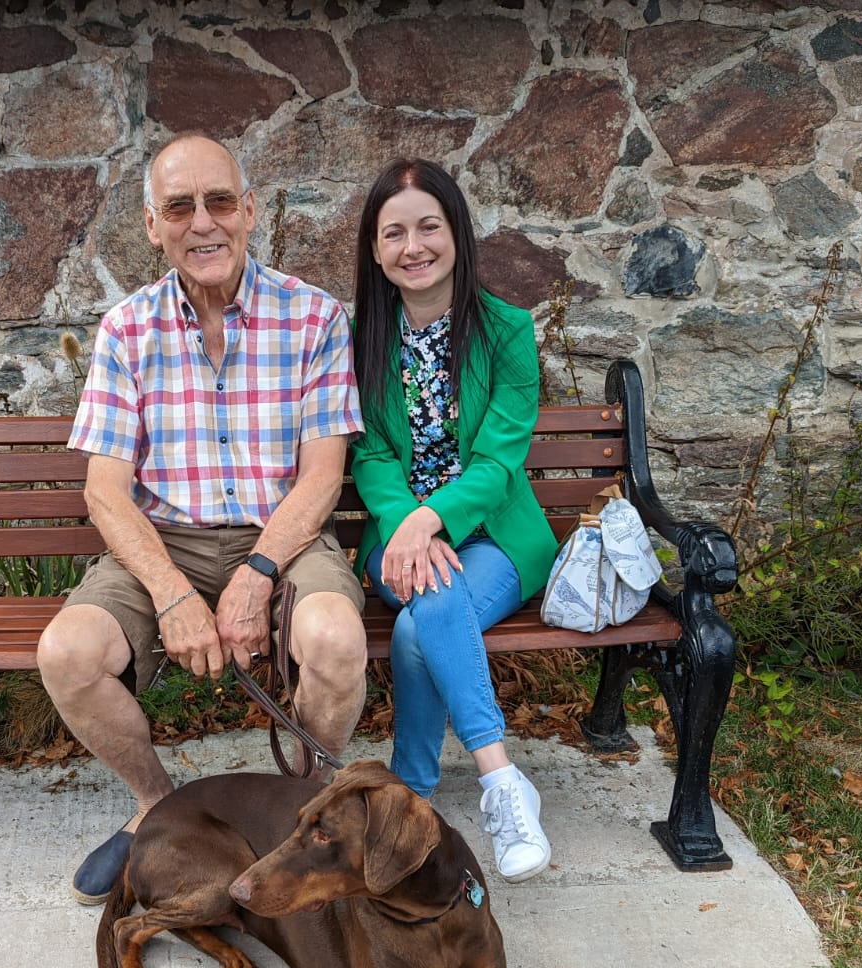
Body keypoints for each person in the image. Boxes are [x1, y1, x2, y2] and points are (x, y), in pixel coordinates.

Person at [37, 134, 369, 905]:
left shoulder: (313, 318)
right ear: (154, 227)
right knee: (67, 653)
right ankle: (157, 806)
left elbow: (323, 476)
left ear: (250, 211)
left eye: (219, 201)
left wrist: (257, 577)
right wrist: (174, 595)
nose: (203, 223)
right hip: (165, 541)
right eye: (179, 208)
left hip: (280, 536)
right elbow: (106, 495)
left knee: (336, 639)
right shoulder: (126, 331)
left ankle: (301, 808)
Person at [348, 157, 561, 883]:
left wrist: (430, 522)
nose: (414, 247)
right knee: (431, 593)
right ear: (375, 251)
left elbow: (500, 463)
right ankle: (502, 780)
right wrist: (406, 522)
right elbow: (372, 456)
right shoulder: (363, 339)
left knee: (418, 621)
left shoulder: (507, 332)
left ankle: (414, 792)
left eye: (428, 227)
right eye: (394, 233)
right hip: (396, 537)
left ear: (457, 233)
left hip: (497, 536)